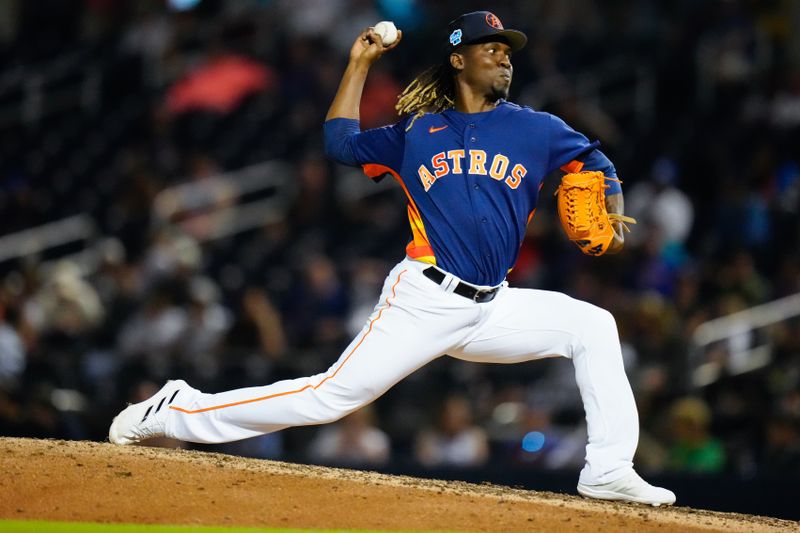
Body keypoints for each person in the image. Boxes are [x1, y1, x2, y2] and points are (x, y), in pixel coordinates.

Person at [109, 11, 675, 506]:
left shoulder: (536, 128)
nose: (505, 59)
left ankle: (608, 469)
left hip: (493, 307)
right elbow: (339, 144)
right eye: (492, 49)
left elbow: (597, 162)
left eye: (508, 52)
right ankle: (176, 409)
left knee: (594, 327)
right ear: (458, 59)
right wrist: (358, 64)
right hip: (424, 299)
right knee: (329, 397)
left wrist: (614, 208)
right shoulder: (415, 132)